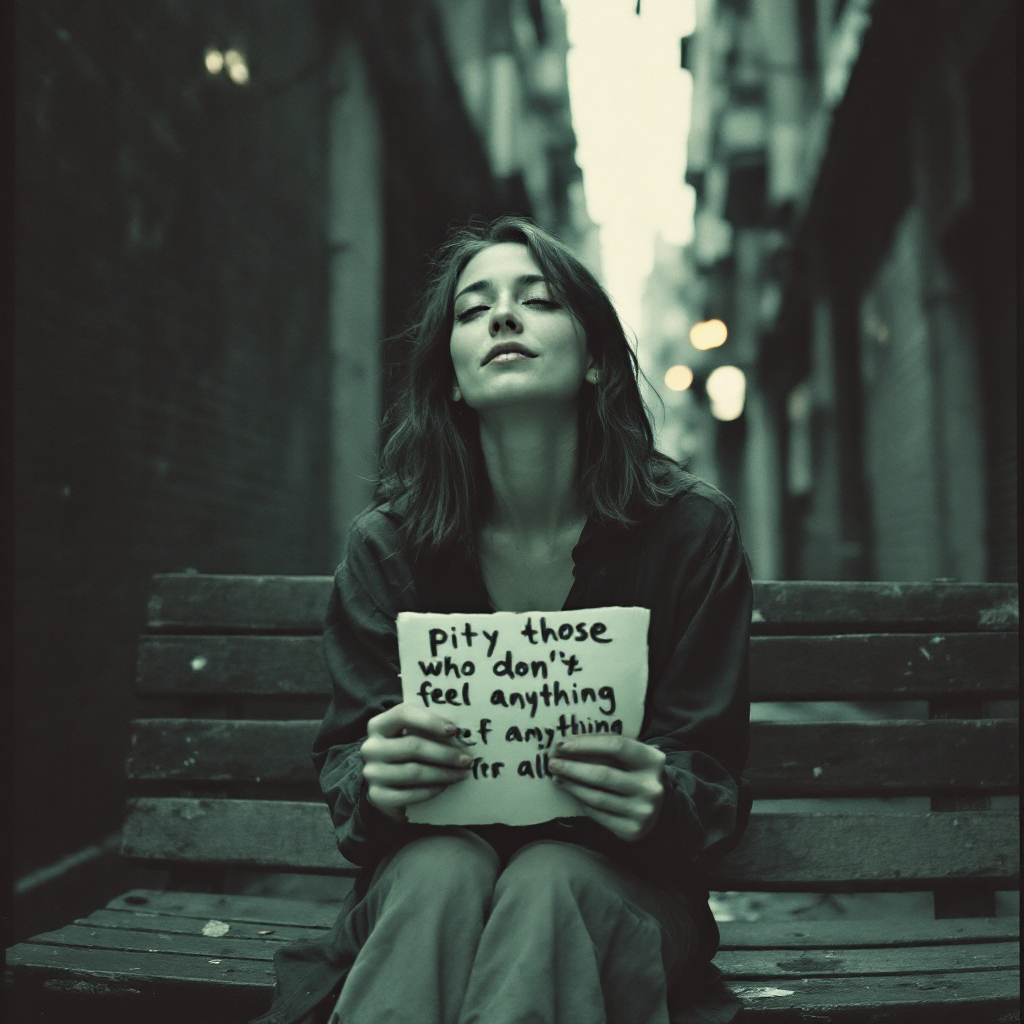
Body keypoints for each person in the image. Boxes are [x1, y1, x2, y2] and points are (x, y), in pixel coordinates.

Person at [252, 217, 752, 1024]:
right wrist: (376, 780)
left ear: (594, 357)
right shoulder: (388, 546)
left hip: (620, 884)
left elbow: (712, 772)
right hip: (424, 884)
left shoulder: (691, 531)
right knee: (442, 870)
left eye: (538, 299)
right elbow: (351, 767)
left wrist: (661, 796)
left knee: (550, 877)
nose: (502, 319)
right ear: (450, 375)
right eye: (473, 309)